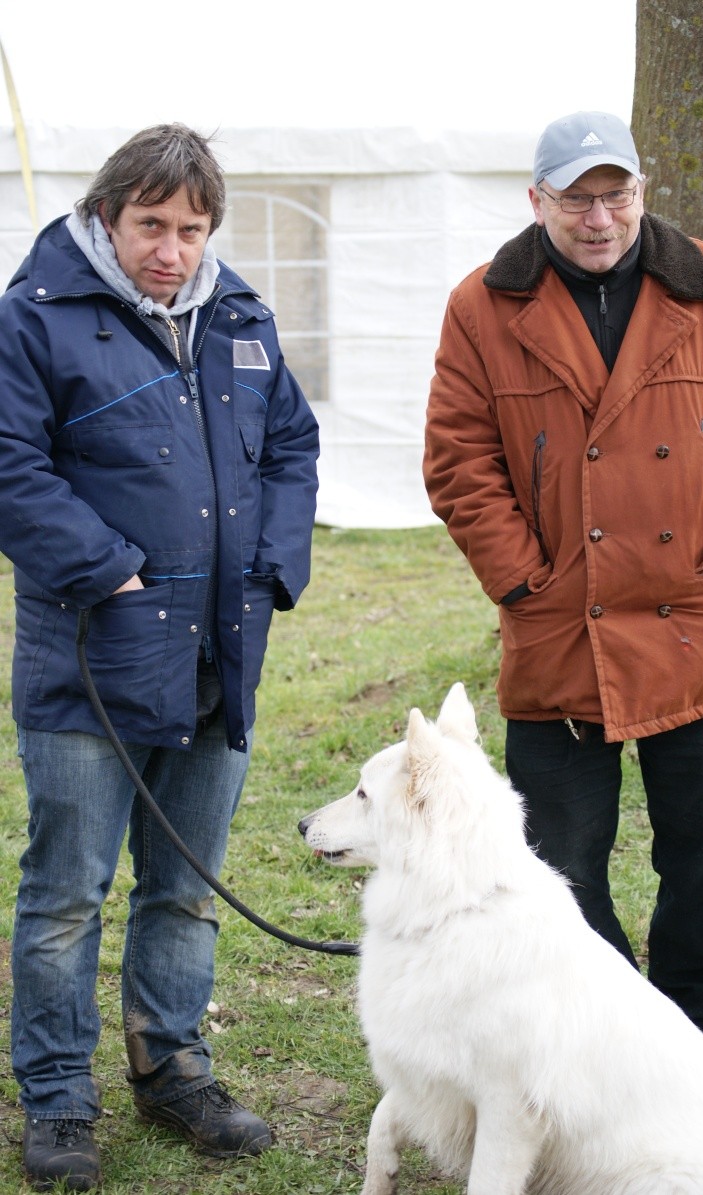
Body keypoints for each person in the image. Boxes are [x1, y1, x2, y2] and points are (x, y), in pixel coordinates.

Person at [424, 111, 703, 1091]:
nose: (599, 218)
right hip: (559, 623)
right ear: (536, 200)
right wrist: (522, 580)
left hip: (693, 610)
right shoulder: (482, 305)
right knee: (560, 853)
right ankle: (593, 1022)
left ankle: (701, 1012)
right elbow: (458, 459)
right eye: (576, 198)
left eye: (615, 195)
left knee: (702, 843)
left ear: (640, 191)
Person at [0, 124, 319, 1190]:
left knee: (182, 888)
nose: (171, 249)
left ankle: (172, 1066)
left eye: (190, 228)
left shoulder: (241, 318)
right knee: (65, 896)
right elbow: (10, 465)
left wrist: (271, 569)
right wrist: (106, 567)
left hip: (217, 652)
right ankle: (57, 1098)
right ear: (106, 217)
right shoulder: (35, 318)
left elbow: (290, 448)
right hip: (89, 657)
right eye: (151, 225)